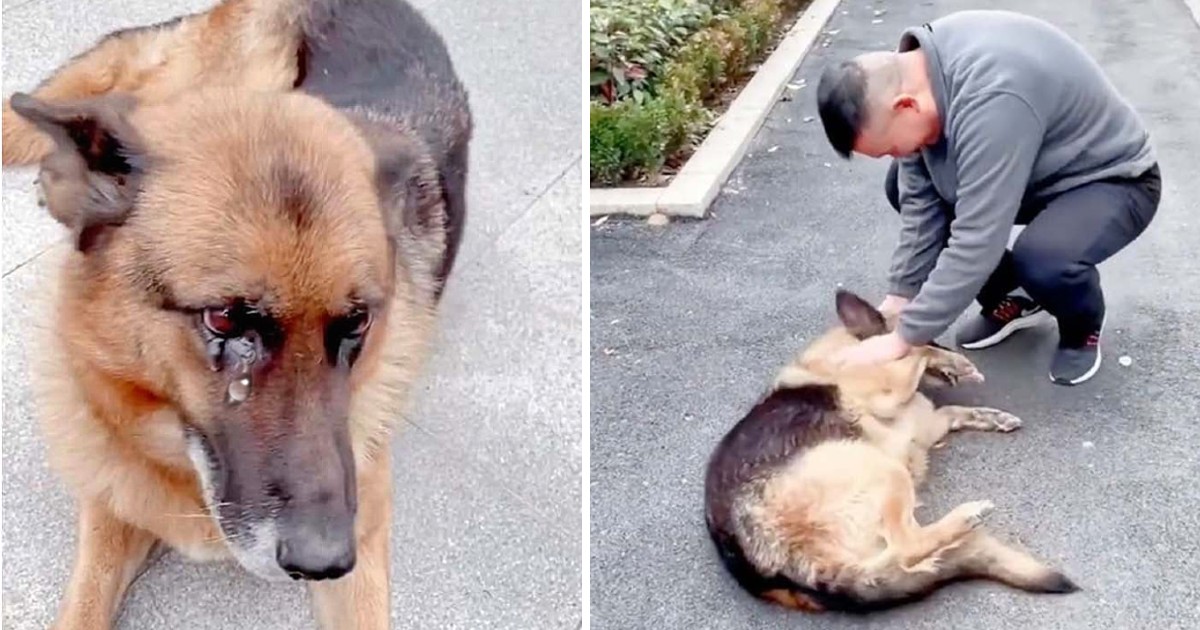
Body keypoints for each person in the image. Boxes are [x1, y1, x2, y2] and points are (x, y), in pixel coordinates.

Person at [814, 9, 1161, 385]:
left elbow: (978, 237)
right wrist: (902, 295)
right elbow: (921, 201)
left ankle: (1082, 329)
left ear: (905, 106)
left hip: (1110, 179)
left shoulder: (993, 96)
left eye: (890, 148)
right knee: (901, 185)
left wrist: (901, 339)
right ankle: (1014, 298)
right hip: (1033, 169)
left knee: (1044, 258)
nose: (896, 156)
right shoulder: (916, 75)